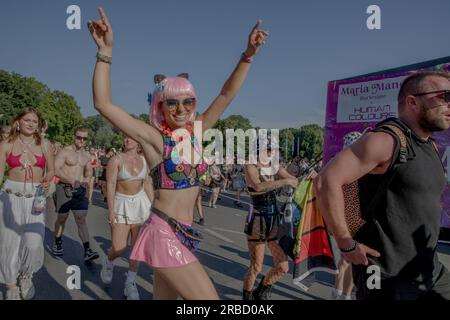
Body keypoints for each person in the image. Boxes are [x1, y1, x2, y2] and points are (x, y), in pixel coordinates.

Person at [88, 7, 267, 299]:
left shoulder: (196, 131)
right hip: (163, 232)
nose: (181, 109)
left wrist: (248, 55)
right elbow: (103, 104)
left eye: (187, 101)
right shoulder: (155, 139)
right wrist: (105, 51)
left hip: (184, 232)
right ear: (160, 106)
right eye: (172, 103)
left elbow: (225, 95)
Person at [315, 71, 450, 300]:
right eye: (444, 96)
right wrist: (345, 243)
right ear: (412, 102)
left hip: (430, 271)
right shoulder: (386, 140)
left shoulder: (431, 146)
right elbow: (326, 181)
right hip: (384, 276)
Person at [0, 107, 54, 300]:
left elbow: (51, 171)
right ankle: (11, 285)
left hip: (35, 198)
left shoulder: (45, 144)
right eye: (27, 120)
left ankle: (26, 274)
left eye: (34, 121)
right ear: (18, 122)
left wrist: (47, 180)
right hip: (10, 197)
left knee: (33, 243)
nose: (31, 124)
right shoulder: (6, 144)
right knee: (9, 244)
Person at [243, 142, 298, 300]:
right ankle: (246, 300)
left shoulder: (274, 165)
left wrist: (307, 178)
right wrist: (284, 182)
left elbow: (292, 179)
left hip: (274, 219)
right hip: (257, 219)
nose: (272, 153)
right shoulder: (250, 165)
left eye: (274, 150)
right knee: (256, 267)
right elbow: (258, 186)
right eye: (269, 150)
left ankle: (261, 291)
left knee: (283, 267)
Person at [100, 133, 153, 300]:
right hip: (121, 204)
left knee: (136, 249)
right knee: (118, 247)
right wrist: (110, 209)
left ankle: (130, 283)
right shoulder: (116, 160)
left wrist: (153, 208)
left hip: (140, 205)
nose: (127, 139)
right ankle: (109, 263)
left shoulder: (144, 160)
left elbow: (147, 184)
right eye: (125, 137)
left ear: (138, 141)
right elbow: (111, 185)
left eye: (131, 137)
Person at [52, 127, 99, 262]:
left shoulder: (86, 155)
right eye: (79, 137)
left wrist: (85, 180)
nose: (82, 140)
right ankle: (58, 240)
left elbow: (89, 171)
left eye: (85, 138)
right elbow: (56, 169)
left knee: (81, 218)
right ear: (74, 136)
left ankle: (87, 250)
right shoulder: (65, 151)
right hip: (64, 188)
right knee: (62, 218)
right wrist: (72, 181)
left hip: (79, 191)